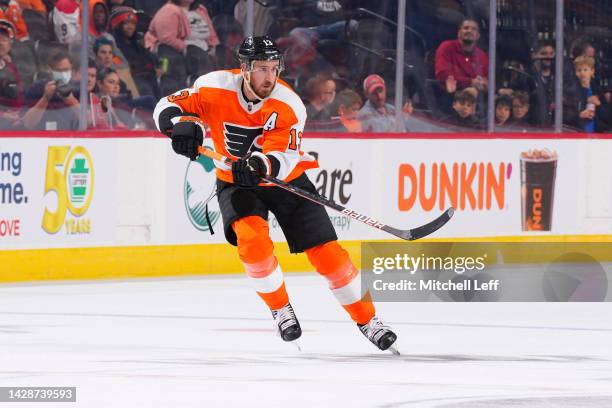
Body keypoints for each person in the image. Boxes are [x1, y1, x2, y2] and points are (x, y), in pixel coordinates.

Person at [153, 35, 398, 352]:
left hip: (288, 181)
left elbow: (284, 156)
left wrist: (259, 163)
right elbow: (167, 105)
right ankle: (280, 308)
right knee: (252, 243)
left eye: (274, 68)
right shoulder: (213, 86)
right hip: (235, 181)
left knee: (330, 257)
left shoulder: (289, 104)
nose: (269, 77)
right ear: (244, 68)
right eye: (262, 69)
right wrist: (181, 125)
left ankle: (369, 320)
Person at [23, 48, 80, 130]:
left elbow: (88, 121)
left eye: (66, 70)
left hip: (71, 137)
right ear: (50, 69)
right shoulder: (37, 88)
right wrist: (45, 98)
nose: (63, 74)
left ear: (71, 68)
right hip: (42, 136)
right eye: (59, 70)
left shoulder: (78, 88)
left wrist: (71, 100)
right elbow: (28, 123)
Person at [435, 19, 488, 93]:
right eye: (466, 28)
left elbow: (487, 80)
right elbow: (442, 75)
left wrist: (485, 84)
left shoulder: (482, 55)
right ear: (459, 33)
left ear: (478, 36)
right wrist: (470, 82)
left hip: (475, 99)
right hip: (448, 96)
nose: (469, 31)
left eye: (473, 29)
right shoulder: (447, 47)